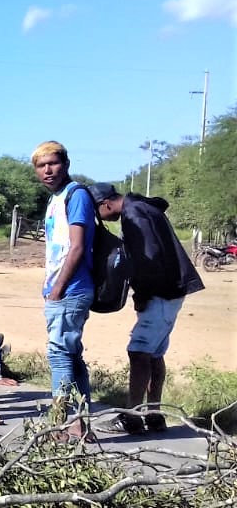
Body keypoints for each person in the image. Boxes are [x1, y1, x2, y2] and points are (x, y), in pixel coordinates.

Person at [89, 182, 204, 435]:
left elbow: (148, 257)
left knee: (139, 352)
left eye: (97, 213)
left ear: (105, 204)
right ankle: (154, 415)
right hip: (171, 289)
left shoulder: (134, 214)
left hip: (161, 291)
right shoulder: (142, 208)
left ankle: (132, 417)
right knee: (153, 353)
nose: (100, 219)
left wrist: (142, 293)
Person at [32, 141, 96, 416]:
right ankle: (80, 422)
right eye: (41, 165)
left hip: (72, 288)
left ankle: (60, 420)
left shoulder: (76, 195)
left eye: (53, 163)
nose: (47, 170)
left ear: (66, 164)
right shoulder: (55, 198)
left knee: (59, 354)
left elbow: (77, 247)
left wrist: (58, 288)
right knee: (71, 355)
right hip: (61, 288)